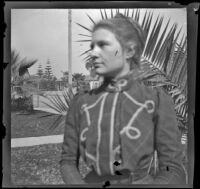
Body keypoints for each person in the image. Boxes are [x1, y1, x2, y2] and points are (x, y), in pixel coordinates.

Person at [60, 13, 186, 185]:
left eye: (103, 45)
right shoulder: (81, 102)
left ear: (129, 51)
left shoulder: (156, 101)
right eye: (93, 46)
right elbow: (68, 162)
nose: (94, 53)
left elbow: (172, 168)